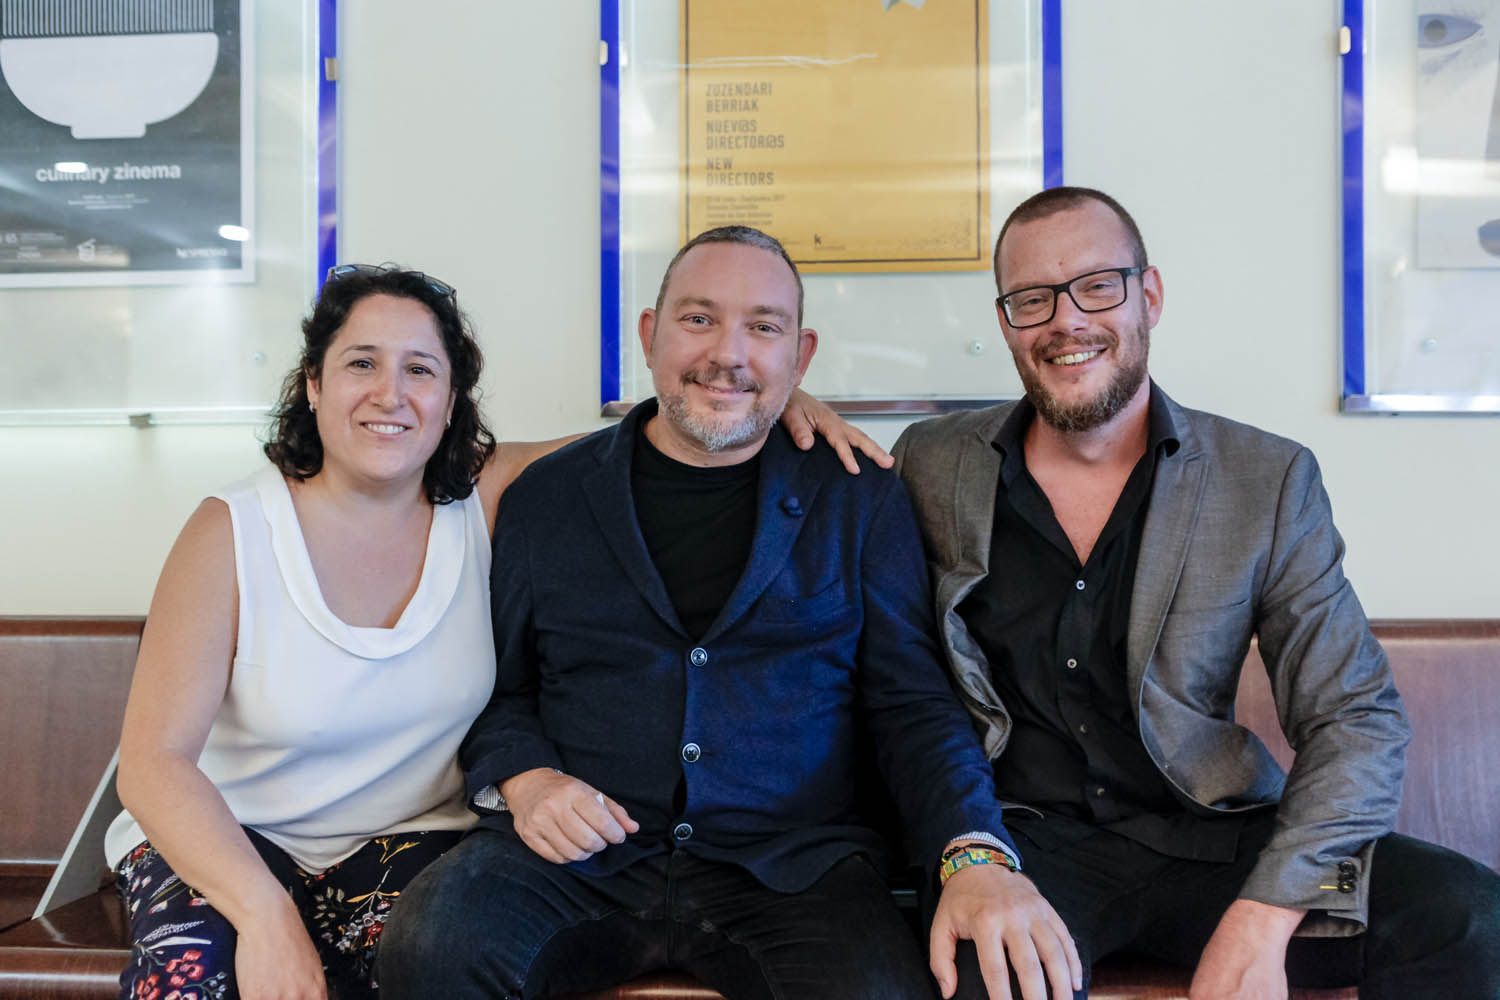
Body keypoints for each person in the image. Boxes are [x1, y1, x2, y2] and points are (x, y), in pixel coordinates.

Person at [106, 263, 888, 1000]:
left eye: (420, 369)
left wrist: (782, 400)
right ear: (313, 383)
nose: (390, 393)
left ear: (451, 399)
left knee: (425, 957)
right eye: (361, 363)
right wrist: (264, 914)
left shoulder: (481, 496)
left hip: (408, 844)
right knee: (200, 983)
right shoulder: (232, 531)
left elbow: (675, 432)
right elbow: (151, 765)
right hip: (235, 842)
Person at [377, 226, 1074, 1000]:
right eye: (699, 319)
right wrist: (527, 779)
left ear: (801, 356)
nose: (728, 353)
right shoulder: (547, 497)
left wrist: (973, 850)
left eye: (763, 327)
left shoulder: (858, 496)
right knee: (430, 949)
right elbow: (500, 688)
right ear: (649, 334)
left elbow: (911, 702)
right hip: (574, 861)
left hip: (794, 869)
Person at [893, 186, 1500, 1000]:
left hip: (1228, 850)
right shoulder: (932, 463)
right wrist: (790, 399)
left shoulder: (1265, 479)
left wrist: (1267, 913)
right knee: (982, 975)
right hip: (1026, 852)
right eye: (1032, 299)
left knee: (1465, 913)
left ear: (1149, 296)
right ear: (1006, 323)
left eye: (1097, 286)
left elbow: (1355, 718)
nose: (1066, 320)